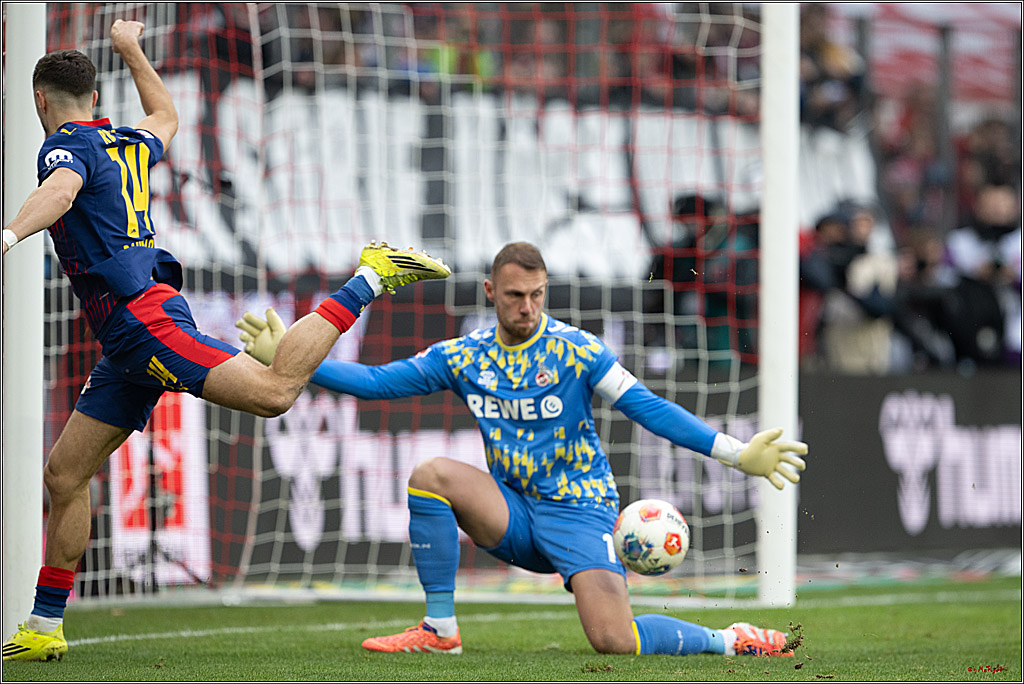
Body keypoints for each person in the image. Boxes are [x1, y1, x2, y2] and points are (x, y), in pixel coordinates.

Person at [1, 20, 450, 662]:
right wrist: (131, 49)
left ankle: (371, 275)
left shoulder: (62, 146)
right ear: (94, 98)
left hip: (142, 322)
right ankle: (45, 626)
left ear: (39, 101)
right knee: (65, 474)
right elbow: (166, 114)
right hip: (127, 338)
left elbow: (61, 191)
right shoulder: (126, 142)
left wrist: (10, 234)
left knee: (274, 393)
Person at [236, 242, 808, 657]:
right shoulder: (463, 355)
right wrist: (290, 358)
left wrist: (736, 454)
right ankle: (439, 630)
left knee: (615, 640)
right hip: (511, 511)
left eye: (536, 295)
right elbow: (377, 383)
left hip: (580, 512)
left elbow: (648, 407)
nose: (527, 307)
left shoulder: (578, 351)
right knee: (432, 474)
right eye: (515, 296)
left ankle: (728, 638)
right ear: (491, 292)